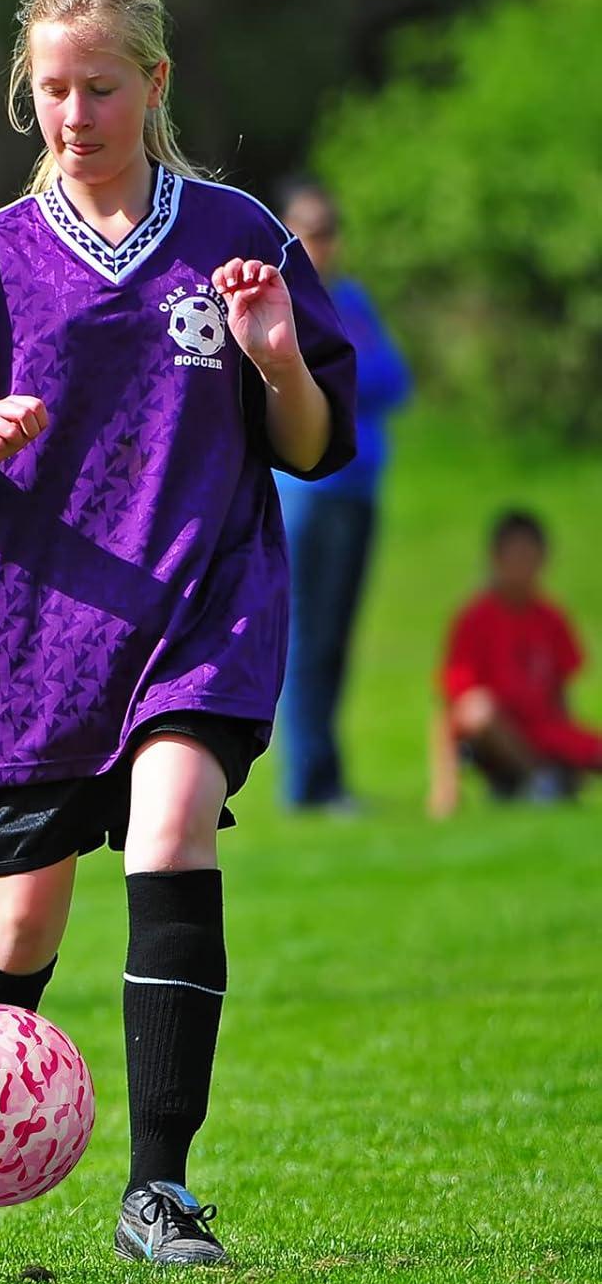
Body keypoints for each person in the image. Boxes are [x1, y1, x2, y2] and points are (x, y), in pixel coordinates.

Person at [0, 0, 355, 1269]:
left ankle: (160, 1191)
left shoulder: (233, 235)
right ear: (30, 92)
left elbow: (310, 449)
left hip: (206, 607)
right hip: (42, 634)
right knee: (20, 921)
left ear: (156, 83)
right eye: (52, 87)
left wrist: (275, 359)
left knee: (174, 823)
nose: (75, 110)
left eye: (100, 85)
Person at [274, 178, 411, 811]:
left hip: (359, 488)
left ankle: (328, 777)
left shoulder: (351, 300)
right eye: (309, 230)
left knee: (338, 635)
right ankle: (306, 781)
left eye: (329, 229)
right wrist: (345, 374)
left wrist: (341, 374)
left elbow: (393, 379)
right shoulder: (281, 301)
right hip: (307, 493)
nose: (321, 243)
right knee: (304, 635)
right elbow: (326, 381)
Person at [428, 510, 602, 817]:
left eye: (529, 556)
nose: (522, 566)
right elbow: (452, 706)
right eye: (514, 556)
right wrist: (445, 787)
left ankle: (556, 779)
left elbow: (561, 696)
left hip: (543, 726)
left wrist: (573, 746)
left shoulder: (551, 618)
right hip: (498, 734)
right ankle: (540, 779)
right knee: (479, 709)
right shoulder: (475, 619)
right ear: (495, 558)